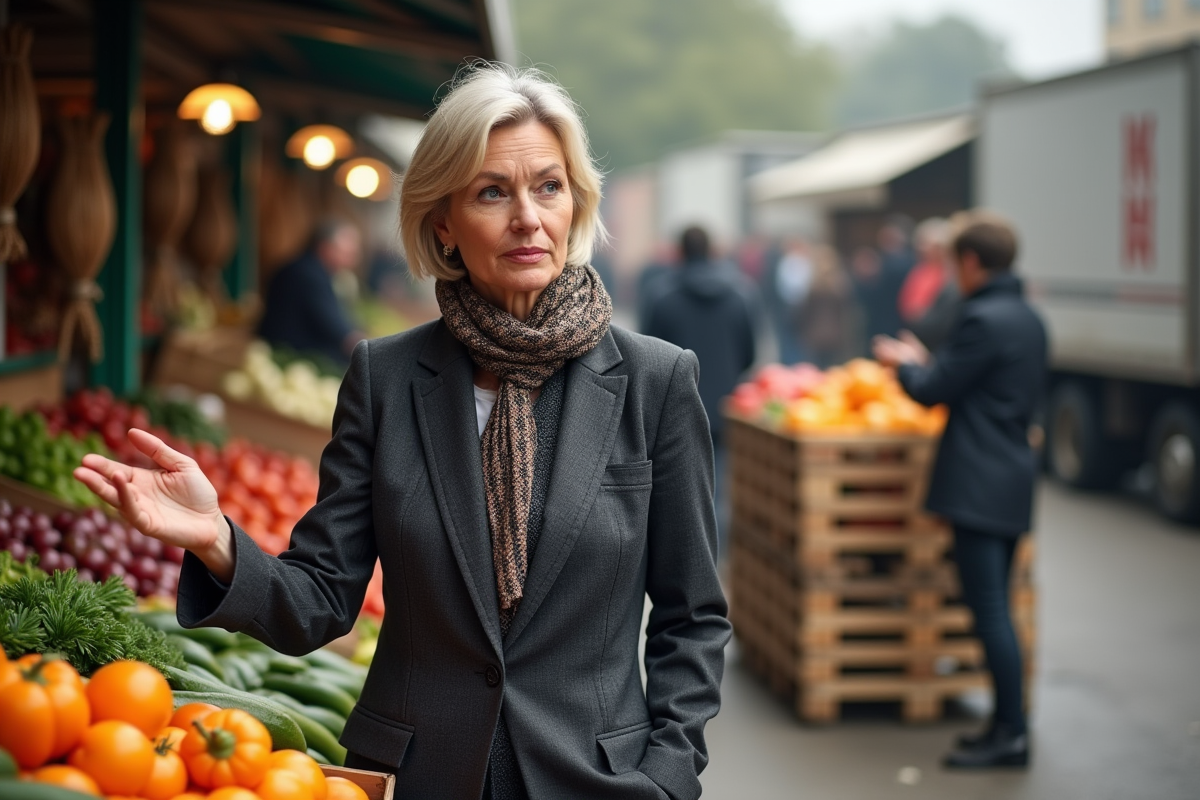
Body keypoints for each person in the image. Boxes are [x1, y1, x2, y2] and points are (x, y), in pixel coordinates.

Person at [75, 63, 729, 800]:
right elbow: (321, 599)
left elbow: (692, 616)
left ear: (575, 202)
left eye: (548, 185)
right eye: (492, 191)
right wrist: (215, 540)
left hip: (597, 779)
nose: (527, 216)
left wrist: (669, 777)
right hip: (419, 776)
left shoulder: (655, 380)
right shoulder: (386, 378)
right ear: (443, 219)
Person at [873, 214, 1047, 770]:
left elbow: (931, 389)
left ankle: (1011, 734)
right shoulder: (1028, 317)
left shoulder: (980, 318)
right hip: (1013, 474)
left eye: (955, 263)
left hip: (979, 479)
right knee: (996, 606)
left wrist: (904, 365)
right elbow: (981, 384)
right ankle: (1004, 725)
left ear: (971, 263)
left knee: (990, 609)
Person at [642, 225, 758, 554]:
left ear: (679, 252)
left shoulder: (662, 295)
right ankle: (711, 562)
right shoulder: (741, 294)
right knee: (716, 488)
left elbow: (646, 351)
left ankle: (680, 557)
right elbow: (749, 353)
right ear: (712, 251)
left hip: (673, 405)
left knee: (673, 488)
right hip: (723, 404)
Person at [257, 218, 367, 368]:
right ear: (325, 248)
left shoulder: (311, 269)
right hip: (287, 359)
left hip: (292, 354)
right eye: (347, 253)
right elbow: (336, 328)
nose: (353, 260)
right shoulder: (308, 275)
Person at [898, 217, 960, 351]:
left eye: (928, 244)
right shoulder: (919, 271)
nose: (923, 248)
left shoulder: (951, 274)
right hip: (916, 333)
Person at [795, 245, 854, 369]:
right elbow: (844, 312)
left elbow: (805, 311)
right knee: (832, 370)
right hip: (835, 334)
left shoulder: (814, 285)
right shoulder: (840, 286)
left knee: (817, 370)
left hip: (815, 334)